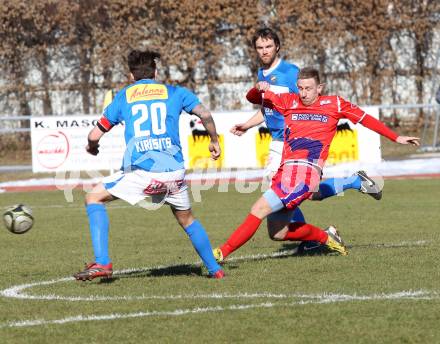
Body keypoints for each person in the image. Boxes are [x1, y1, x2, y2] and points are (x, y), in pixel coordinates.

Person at [214, 67, 419, 260]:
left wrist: (395, 137)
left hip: (305, 173)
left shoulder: (335, 104)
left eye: (309, 89)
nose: (303, 93)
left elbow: (365, 119)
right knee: (278, 233)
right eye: (300, 88)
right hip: (285, 171)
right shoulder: (288, 101)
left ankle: (220, 254)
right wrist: (258, 88)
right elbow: (252, 98)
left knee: (258, 208)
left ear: (320, 88)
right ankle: (327, 236)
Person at [213, 28, 381, 261]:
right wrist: (249, 124)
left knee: (282, 196)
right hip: (277, 141)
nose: (264, 51)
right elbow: (270, 107)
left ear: (277, 47)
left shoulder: (290, 72)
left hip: (290, 143)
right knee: (306, 193)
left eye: (268, 47)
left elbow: (306, 102)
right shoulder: (263, 73)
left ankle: (313, 238)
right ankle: (352, 183)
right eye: (260, 48)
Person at [74, 50, 224, 280]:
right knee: (187, 219)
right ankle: (216, 270)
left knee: (93, 197)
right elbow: (204, 113)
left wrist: (91, 146)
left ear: (131, 75)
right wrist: (214, 141)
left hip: (144, 173)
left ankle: (103, 262)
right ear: (155, 72)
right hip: (174, 172)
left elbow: (95, 135)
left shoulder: (124, 96)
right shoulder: (174, 92)